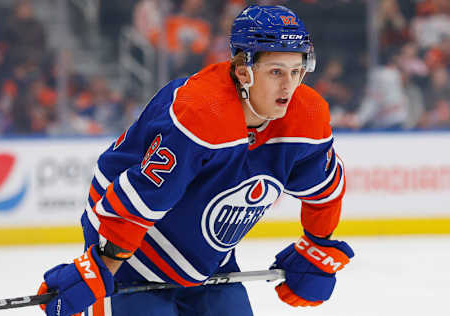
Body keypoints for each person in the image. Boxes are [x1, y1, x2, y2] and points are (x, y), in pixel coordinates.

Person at [37, 5, 354, 316]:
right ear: (244, 71)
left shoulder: (307, 116)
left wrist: (318, 247)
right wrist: (100, 267)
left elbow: (325, 191)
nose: (289, 86)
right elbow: (143, 199)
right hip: (132, 251)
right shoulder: (202, 113)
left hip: (206, 261)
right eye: (276, 72)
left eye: (296, 71)